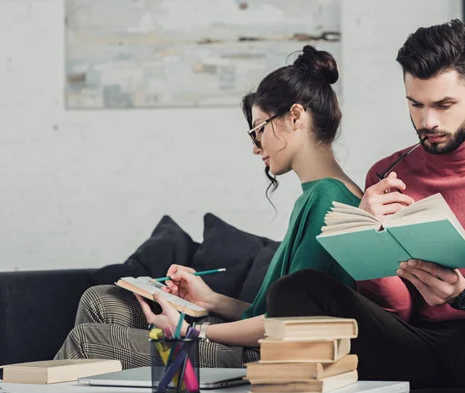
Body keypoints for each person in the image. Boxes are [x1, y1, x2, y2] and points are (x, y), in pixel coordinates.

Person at [265, 19, 465, 393]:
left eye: (444, 105)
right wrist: (368, 236)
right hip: (425, 347)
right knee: (297, 290)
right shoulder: (388, 174)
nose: (427, 121)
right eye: (416, 105)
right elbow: (398, 311)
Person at [54, 45, 364, 369]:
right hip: (256, 341)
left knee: (86, 340)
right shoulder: (318, 194)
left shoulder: (329, 200)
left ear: (296, 117)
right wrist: (209, 299)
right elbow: (267, 313)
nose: (256, 147)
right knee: (99, 301)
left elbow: (288, 326)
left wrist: (191, 333)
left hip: (266, 356)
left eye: (259, 129)